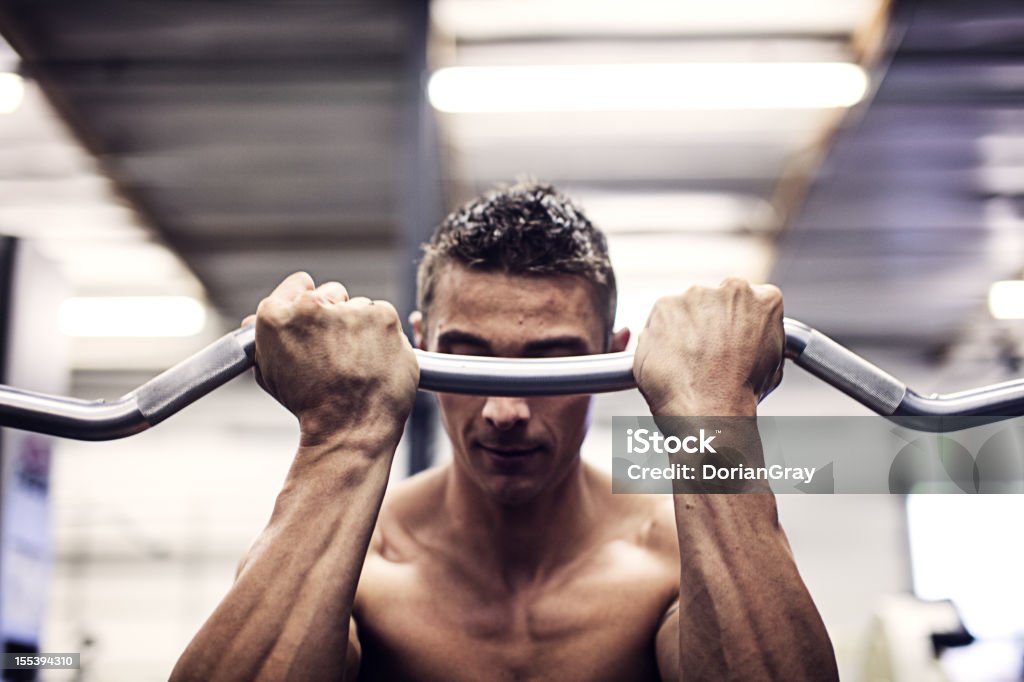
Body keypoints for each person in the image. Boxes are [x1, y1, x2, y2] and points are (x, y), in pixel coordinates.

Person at [171, 181, 838, 681]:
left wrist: (713, 412)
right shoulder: (361, 560)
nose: (504, 410)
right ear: (417, 347)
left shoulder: (669, 559)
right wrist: (343, 434)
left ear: (616, 356)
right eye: (464, 358)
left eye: (548, 363)